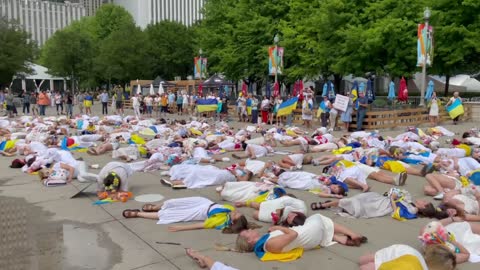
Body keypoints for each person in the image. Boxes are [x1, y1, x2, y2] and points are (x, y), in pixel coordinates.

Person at [234, 214, 367, 260]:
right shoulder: (269, 245)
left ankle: (339, 238)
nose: (250, 229)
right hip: (310, 236)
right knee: (317, 217)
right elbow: (293, 234)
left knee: (315, 222)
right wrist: (278, 228)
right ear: (250, 240)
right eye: (247, 232)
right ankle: (352, 234)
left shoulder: (266, 242)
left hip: (310, 238)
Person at [122, 196, 250, 234]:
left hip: (200, 212)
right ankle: (154, 207)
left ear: (233, 221)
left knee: (169, 215)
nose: (236, 212)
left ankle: (138, 213)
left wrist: (180, 228)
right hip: (204, 202)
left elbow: (201, 225)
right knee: (173, 201)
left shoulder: (221, 221)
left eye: (236, 215)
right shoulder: (230, 210)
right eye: (238, 213)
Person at [359, 244, 456, 270]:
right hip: (395, 254)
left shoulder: (418, 262)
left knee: (364, 261)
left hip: (403, 252)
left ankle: (373, 255)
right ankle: (374, 256)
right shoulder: (410, 267)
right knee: (363, 264)